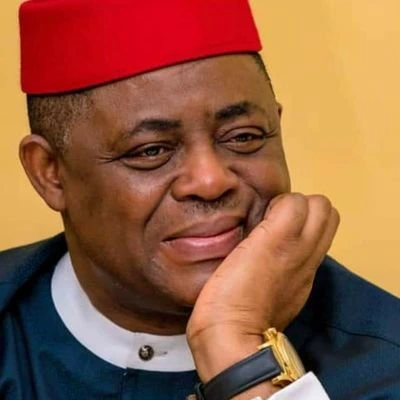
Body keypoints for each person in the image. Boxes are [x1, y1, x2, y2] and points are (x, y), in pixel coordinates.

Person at [1, 0, 399, 399]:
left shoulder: (386, 361)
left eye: (243, 137)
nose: (211, 181)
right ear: (50, 171)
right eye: (151, 150)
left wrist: (234, 342)